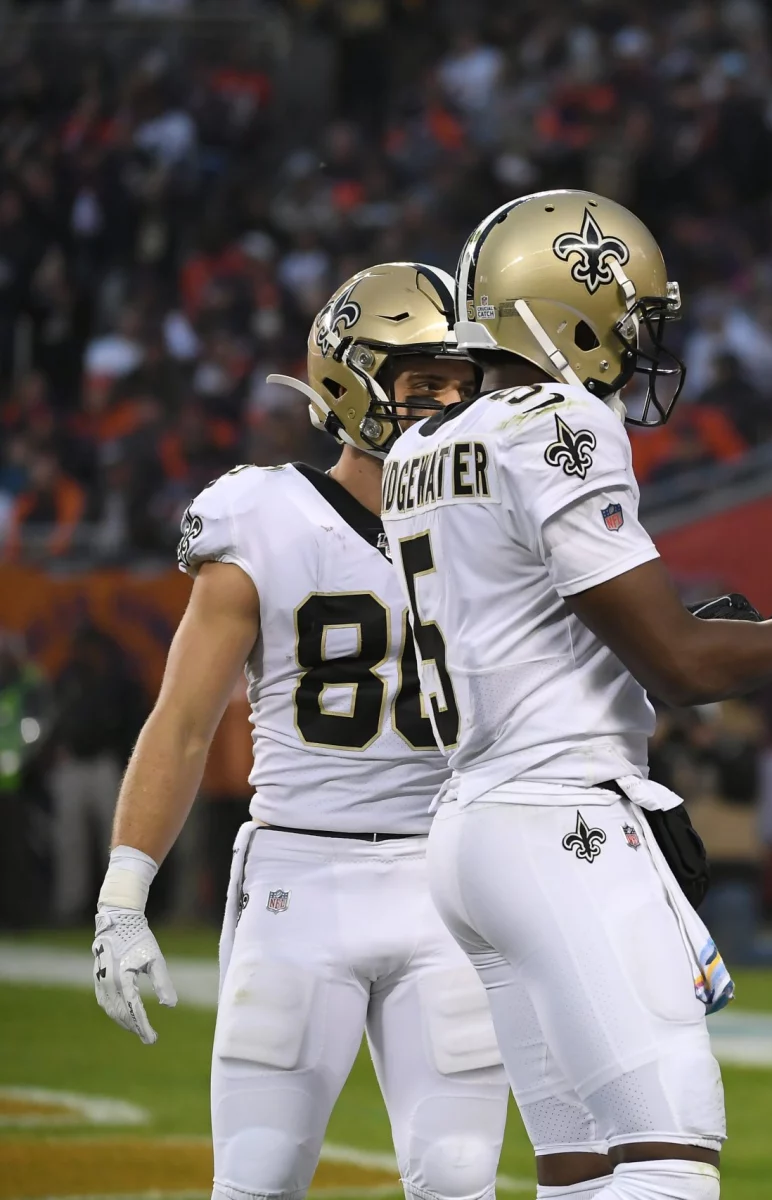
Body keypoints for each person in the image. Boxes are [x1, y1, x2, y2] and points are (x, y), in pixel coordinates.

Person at [379, 189, 772, 1200]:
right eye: (630, 313)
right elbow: (682, 669)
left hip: (471, 829)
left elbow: (550, 624)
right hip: (558, 822)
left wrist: (742, 627)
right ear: (566, 304)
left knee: (580, 1164)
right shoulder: (560, 419)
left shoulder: (417, 449)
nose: (638, 339)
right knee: (668, 1147)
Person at [89, 263, 522, 1200]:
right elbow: (184, 720)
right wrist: (127, 891)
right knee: (259, 1178)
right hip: (301, 877)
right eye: (421, 384)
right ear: (348, 387)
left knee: (458, 1183)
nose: (446, 404)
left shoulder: (495, 519)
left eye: (459, 382)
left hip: (448, 880)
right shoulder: (262, 515)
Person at [49, 623, 145, 924]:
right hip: (73, 764)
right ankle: (71, 906)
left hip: (105, 765)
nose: (83, 653)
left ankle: (119, 906)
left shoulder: (118, 680)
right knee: (70, 841)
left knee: (115, 839)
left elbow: (134, 723)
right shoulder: (67, 677)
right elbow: (51, 716)